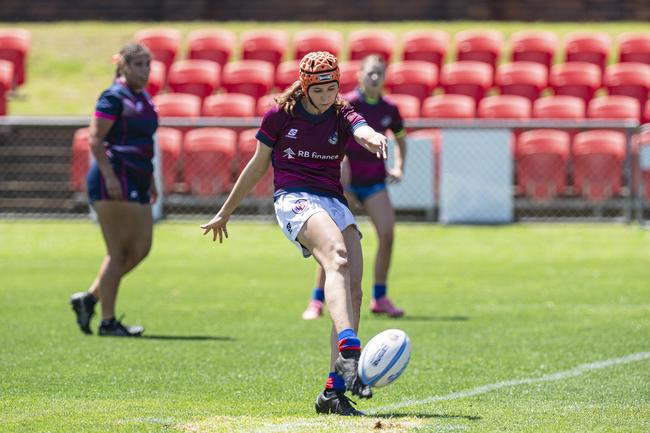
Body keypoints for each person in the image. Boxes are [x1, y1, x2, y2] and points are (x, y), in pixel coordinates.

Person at [201, 51, 387, 416]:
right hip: (294, 198)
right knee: (337, 256)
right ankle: (350, 347)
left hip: (333, 199)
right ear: (305, 87)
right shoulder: (279, 116)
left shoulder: (341, 110)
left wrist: (371, 136)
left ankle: (333, 392)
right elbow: (257, 167)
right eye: (320, 90)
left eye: (333, 87)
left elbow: (361, 127)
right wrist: (225, 212)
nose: (328, 95)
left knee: (354, 288)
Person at [302, 54, 407, 321]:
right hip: (344, 185)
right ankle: (316, 300)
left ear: (384, 78)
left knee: (387, 234)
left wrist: (399, 166)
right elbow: (326, 138)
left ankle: (380, 297)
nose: (374, 78)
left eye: (379, 74)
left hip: (374, 182)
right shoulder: (346, 103)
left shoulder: (389, 108)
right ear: (359, 74)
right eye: (369, 73)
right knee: (333, 244)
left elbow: (401, 138)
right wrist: (340, 161)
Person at [69, 43, 157, 337]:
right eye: (139, 65)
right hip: (115, 178)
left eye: (148, 64)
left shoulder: (143, 97)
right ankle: (107, 321)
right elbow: (95, 139)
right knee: (118, 252)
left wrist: (152, 178)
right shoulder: (112, 96)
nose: (145, 71)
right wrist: (109, 175)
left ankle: (90, 298)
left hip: (140, 177)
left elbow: (146, 142)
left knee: (141, 249)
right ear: (124, 66)